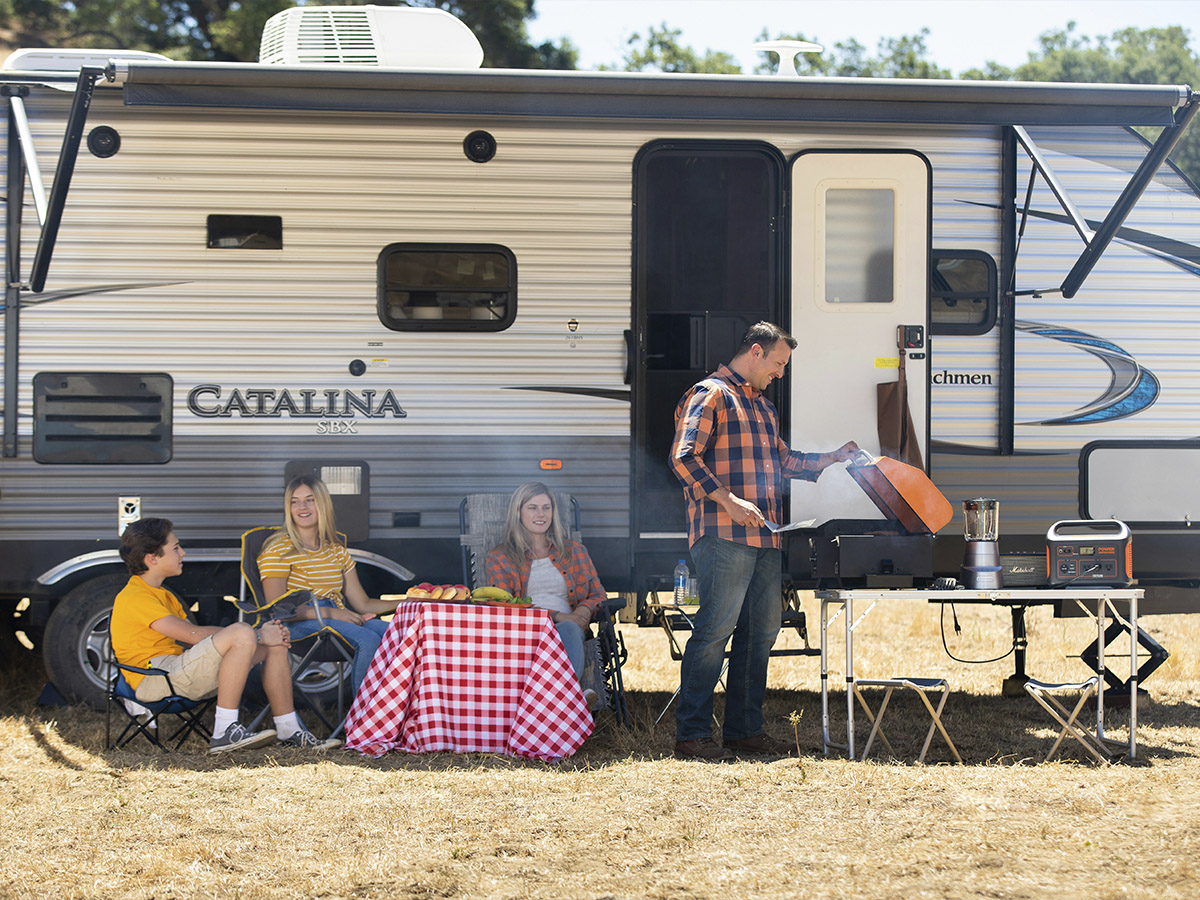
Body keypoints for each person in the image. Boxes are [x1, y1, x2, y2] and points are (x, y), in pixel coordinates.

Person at [669, 321, 860, 761]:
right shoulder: (710, 393)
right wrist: (728, 500)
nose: (781, 373)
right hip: (723, 532)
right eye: (778, 363)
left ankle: (744, 731)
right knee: (716, 630)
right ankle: (692, 735)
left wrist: (832, 458)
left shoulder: (763, 408)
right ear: (755, 352)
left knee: (760, 633)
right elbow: (683, 458)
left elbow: (784, 460)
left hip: (767, 536)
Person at [109, 517, 340, 754]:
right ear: (153, 558)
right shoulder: (136, 596)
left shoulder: (164, 595)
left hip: (175, 671)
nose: (183, 553)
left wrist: (260, 638)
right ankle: (224, 731)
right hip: (155, 678)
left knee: (275, 644)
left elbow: (201, 642)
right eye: (176, 548)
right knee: (243, 632)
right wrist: (256, 634)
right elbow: (194, 635)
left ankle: (289, 730)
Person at [258, 475, 401, 697]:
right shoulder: (278, 550)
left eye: (309, 499)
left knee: (397, 634)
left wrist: (412, 600)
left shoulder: (336, 551)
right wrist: (331, 613)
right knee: (368, 638)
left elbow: (363, 604)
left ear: (322, 503)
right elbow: (279, 609)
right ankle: (363, 720)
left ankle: (393, 711)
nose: (301, 507)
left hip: (333, 619)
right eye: (294, 501)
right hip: (297, 625)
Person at [484, 481, 607, 708]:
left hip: (568, 631)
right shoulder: (499, 557)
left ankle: (557, 701)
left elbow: (598, 594)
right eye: (532, 507)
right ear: (518, 513)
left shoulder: (575, 551)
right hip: (524, 632)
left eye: (546, 507)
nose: (541, 514)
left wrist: (583, 609)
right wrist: (559, 616)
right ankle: (571, 699)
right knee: (566, 628)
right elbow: (505, 605)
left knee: (569, 630)